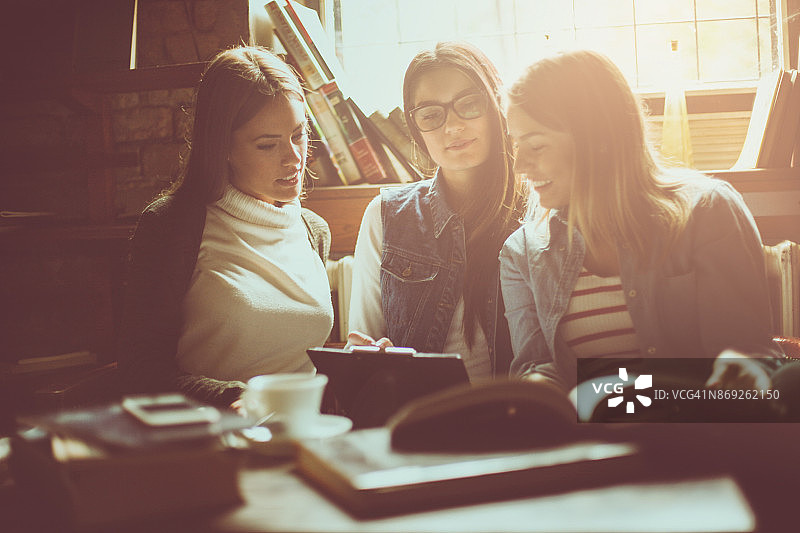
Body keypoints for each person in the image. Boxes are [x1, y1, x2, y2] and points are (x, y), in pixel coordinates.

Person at [500, 49, 782, 396]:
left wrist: (736, 374)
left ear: (598, 139)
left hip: (702, 431)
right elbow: (537, 364)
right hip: (594, 445)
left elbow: (747, 354)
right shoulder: (521, 253)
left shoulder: (708, 211)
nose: (519, 167)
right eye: (515, 145)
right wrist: (539, 387)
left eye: (537, 146)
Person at [117, 46, 334, 407]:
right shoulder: (173, 227)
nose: (294, 158)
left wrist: (357, 363)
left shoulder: (314, 231)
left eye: (299, 135)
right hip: (210, 440)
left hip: (301, 436)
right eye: (268, 145)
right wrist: (232, 398)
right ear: (223, 148)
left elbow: (306, 365)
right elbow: (139, 370)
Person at [347, 41, 525, 382]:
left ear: (496, 107)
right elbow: (361, 346)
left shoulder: (539, 213)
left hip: (519, 420)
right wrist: (372, 358)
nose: (452, 126)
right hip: (419, 422)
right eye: (431, 114)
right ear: (416, 128)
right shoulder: (385, 216)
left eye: (470, 104)